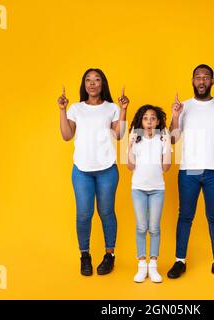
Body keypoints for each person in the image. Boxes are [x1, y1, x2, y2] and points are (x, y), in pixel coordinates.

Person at [167, 64, 214, 282]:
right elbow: (171, 139)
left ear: (212, 81)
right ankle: (180, 260)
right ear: (192, 81)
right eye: (198, 77)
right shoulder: (184, 107)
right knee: (185, 216)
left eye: (206, 77)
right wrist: (174, 116)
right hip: (190, 169)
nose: (201, 81)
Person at [58, 68, 128, 276]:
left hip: (107, 169)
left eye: (97, 80)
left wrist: (123, 109)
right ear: (84, 84)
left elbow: (119, 134)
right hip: (82, 170)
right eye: (88, 80)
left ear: (102, 84)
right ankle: (85, 256)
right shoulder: (76, 108)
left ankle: (109, 255)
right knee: (83, 214)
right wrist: (62, 110)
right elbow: (66, 135)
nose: (92, 83)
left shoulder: (111, 108)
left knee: (106, 213)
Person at [127, 105, 172, 283]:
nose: (149, 121)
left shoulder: (162, 139)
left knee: (154, 228)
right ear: (141, 121)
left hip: (157, 190)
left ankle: (153, 265)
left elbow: (166, 167)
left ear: (158, 121)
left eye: (153, 118)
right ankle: (141, 265)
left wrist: (168, 143)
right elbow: (130, 166)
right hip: (138, 188)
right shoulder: (136, 139)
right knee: (141, 227)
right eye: (146, 118)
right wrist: (129, 146)